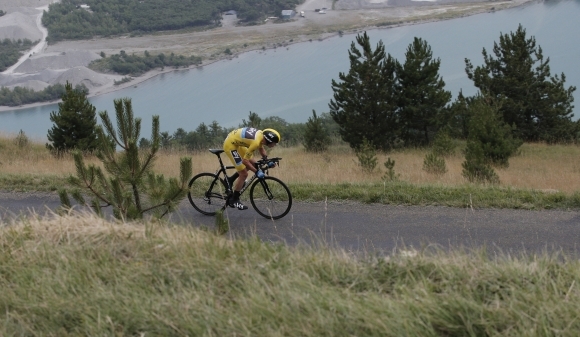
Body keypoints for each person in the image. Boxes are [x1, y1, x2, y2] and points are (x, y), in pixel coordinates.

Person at [222, 127, 281, 210]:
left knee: (254, 163)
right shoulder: (256, 142)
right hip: (230, 145)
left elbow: (261, 148)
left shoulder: (261, 136)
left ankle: (230, 180)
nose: (274, 145)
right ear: (269, 140)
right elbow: (245, 161)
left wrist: (267, 161)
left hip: (237, 142)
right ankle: (234, 199)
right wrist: (256, 172)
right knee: (244, 174)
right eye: (274, 143)